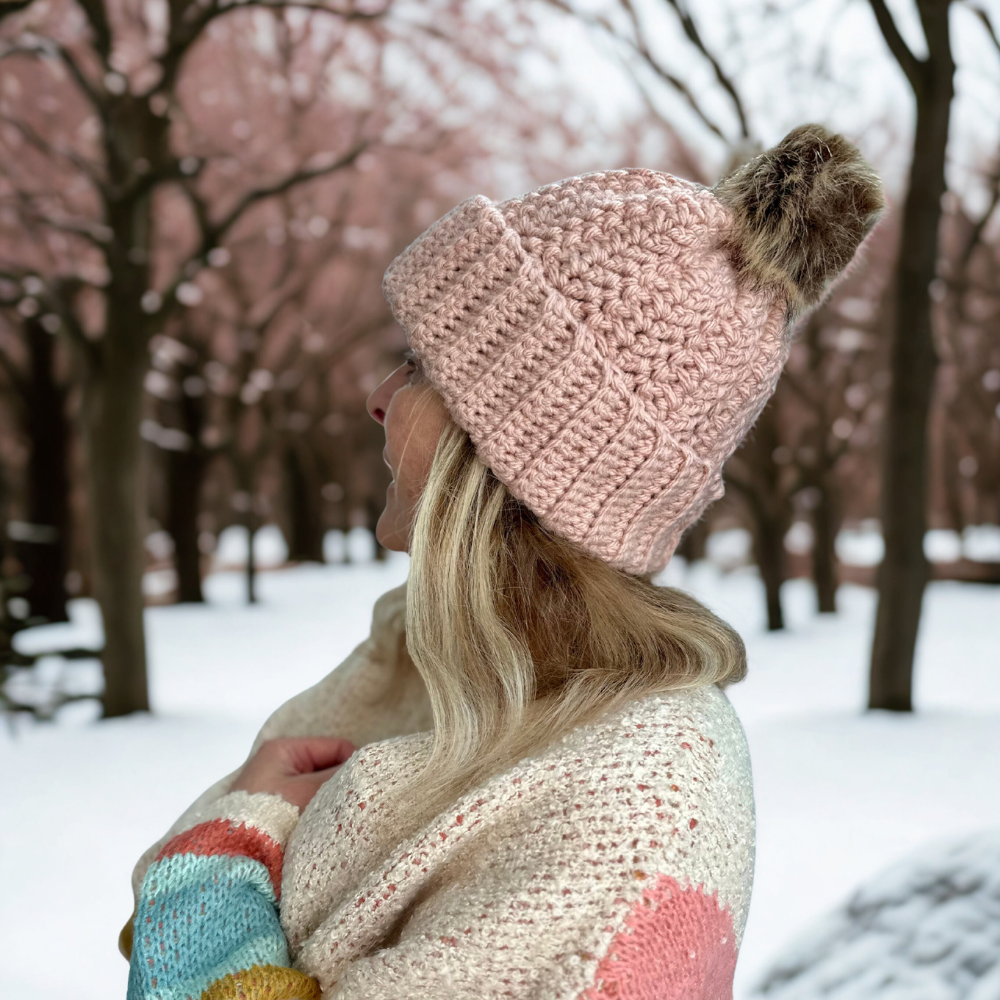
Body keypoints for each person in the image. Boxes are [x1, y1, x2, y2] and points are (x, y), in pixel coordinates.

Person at [121, 124, 883, 999]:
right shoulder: (439, 666)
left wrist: (217, 865)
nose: (377, 398)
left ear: (515, 453)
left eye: (417, 366)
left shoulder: (630, 809)